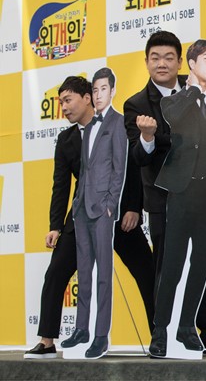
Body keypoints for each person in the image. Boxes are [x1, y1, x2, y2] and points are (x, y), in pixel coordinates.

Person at [124, 31, 206, 354]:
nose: (161, 63)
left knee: (204, 265)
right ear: (146, 62)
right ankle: (160, 333)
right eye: (155, 58)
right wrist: (148, 137)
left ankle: (203, 332)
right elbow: (138, 156)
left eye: (168, 57)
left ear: (180, 63)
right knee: (168, 267)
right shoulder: (137, 104)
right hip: (165, 197)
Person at [25, 76, 155, 359]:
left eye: (68, 100)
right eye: (60, 102)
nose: (63, 107)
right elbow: (61, 185)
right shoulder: (66, 140)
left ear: (88, 98)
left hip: (120, 215)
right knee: (56, 272)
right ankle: (47, 340)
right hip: (82, 218)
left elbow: (132, 168)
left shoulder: (118, 126)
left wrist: (133, 208)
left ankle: (160, 338)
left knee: (147, 272)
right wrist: (55, 226)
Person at [61, 68, 128, 359]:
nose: (99, 95)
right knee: (84, 273)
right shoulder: (87, 128)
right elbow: (85, 170)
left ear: (112, 91)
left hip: (102, 210)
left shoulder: (118, 123)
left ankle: (101, 334)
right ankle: (82, 328)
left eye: (103, 89)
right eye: (95, 90)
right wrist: (77, 203)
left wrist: (111, 204)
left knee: (103, 276)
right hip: (82, 209)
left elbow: (119, 168)